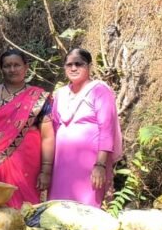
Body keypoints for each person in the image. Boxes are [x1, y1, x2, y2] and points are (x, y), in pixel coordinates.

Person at [49, 48, 123, 207]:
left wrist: (100, 165)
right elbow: (54, 128)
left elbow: (106, 129)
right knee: (59, 209)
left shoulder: (99, 90)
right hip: (62, 164)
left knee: (86, 211)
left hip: (89, 165)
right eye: (69, 65)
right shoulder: (60, 94)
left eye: (78, 64)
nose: (73, 68)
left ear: (89, 66)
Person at [0, 49, 55, 208]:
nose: (12, 69)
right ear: (1, 69)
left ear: (26, 67)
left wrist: (46, 170)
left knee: (27, 210)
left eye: (17, 65)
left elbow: (48, 136)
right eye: (7, 66)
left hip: (29, 164)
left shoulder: (39, 98)